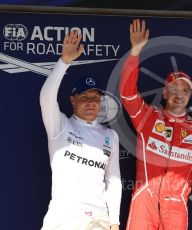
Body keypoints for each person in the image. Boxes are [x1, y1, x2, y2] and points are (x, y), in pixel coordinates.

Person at [119, 19, 192, 230]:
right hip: (144, 199)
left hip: (176, 204)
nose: (179, 95)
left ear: (189, 96)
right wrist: (135, 53)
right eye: (174, 90)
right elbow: (127, 94)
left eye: (184, 91)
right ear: (165, 93)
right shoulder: (148, 117)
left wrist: (189, 182)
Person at [40, 30, 122, 230]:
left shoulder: (110, 136)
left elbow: (113, 180)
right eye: (84, 97)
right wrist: (64, 62)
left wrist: (114, 222)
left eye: (95, 98)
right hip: (64, 219)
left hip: (98, 221)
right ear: (72, 99)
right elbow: (45, 98)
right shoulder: (60, 126)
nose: (90, 102)